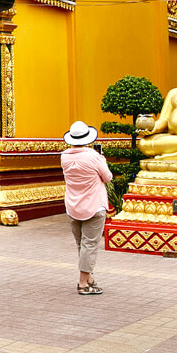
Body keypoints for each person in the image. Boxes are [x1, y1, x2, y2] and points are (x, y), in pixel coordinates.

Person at [61, 120, 112, 295]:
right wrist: (102, 159)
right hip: (94, 205)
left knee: (81, 244)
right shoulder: (93, 156)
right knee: (90, 244)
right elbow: (108, 177)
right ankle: (83, 283)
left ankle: (89, 278)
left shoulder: (64, 156)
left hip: (73, 205)